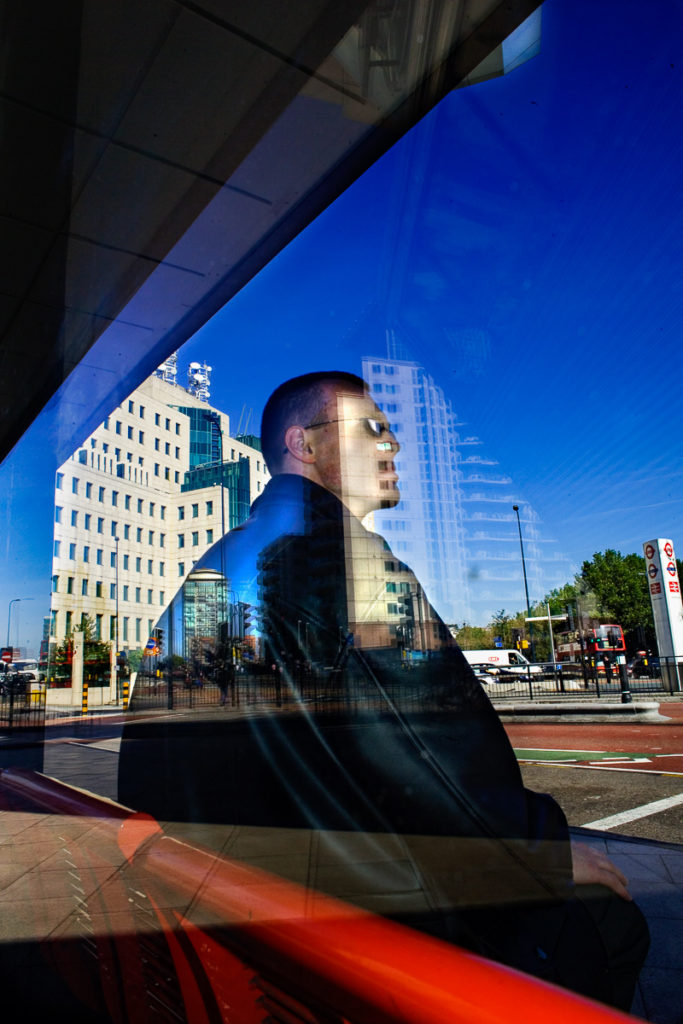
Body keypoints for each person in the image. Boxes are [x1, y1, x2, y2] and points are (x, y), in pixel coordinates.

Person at [119, 371, 648, 1010]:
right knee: (612, 927)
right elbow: (427, 762)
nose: (393, 445)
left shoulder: (209, 577)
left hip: (248, 932)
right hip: (363, 938)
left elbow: (155, 761)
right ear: (303, 445)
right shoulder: (357, 566)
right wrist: (538, 852)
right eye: (372, 428)